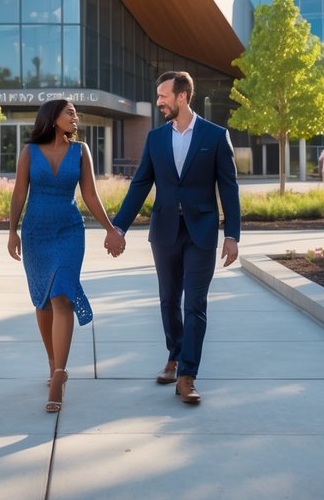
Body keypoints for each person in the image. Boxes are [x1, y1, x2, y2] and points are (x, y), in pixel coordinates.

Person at [110, 71, 241, 405]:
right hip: (165, 230)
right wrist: (119, 227)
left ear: (182, 96)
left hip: (201, 231)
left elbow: (229, 187)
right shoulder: (155, 138)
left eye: (163, 95)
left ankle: (187, 375)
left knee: (194, 303)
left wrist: (232, 235)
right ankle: (174, 354)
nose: (158, 102)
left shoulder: (215, 136)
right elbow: (140, 184)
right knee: (169, 299)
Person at [8, 99, 125, 413]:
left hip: (70, 232)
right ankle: (52, 360)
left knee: (63, 298)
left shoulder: (80, 151)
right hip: (36, 233)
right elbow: (19, 192)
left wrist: (111, 229)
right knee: (43, 300)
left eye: (76, 113)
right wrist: (11, 231)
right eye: (70, 113)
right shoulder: (29, 152)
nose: (76, 117)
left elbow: (89, 194)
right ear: (53, 117)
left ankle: (60, 373)